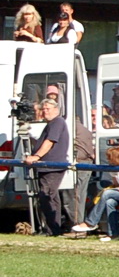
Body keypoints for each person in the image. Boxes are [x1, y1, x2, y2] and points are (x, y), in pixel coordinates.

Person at [21, 94, 72, 233]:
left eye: (48, 108)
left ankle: (54, 229)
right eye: (43, 109)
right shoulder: (50, 124)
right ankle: (53, 228)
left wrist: (36, 156)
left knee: (47, 195)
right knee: (50, 196)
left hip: (52, 166)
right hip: (46, 167)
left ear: (56, 109)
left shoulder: (57, 122)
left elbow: (50, 142)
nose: (45, 112)